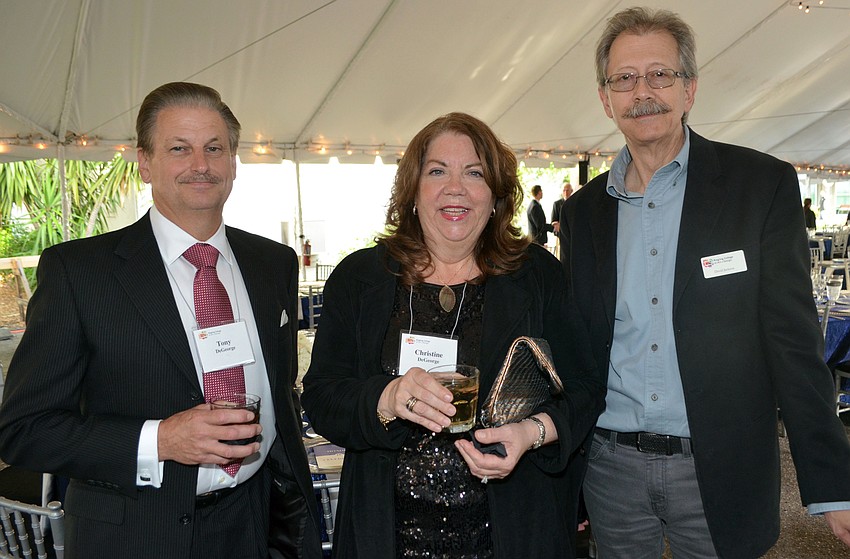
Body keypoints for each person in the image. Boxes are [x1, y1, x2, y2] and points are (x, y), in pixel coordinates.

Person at [560, 7, 850, 558]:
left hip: (721, 464)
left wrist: (831, 480)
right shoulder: (585, 214)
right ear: (606, 99)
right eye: (625, 79)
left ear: (689, 88)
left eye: (660, 74)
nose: (643, 91)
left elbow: (793, 342)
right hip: (611, 469)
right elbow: (578, 346)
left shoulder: (758, 186)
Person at [0, 82, 321, 559]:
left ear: (233, 161)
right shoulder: (81, 273)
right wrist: (161, 439)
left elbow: (279, 391)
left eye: (215, 148)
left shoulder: (272, 263)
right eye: (179, 149)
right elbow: (24, 430)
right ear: (145, 162)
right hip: (134, 535)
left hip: (252, 525)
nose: (201, 164)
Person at [301, 112, 604, 558]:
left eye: (474, 173)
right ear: (412, 190)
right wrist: (385, 398)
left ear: (497, 196)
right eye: (437, 171)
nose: (455, 188)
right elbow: (322, 396)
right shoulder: (360, 278)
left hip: (514, 529)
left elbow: (585, 388)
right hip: (386, 534)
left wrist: (530, 433)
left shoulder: (537, 275)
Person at [551, 181, 574, 255]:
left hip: (573, 235)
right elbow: (554, 221)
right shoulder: (557, 204)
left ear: (571, 191)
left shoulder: (575, 203)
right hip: (561, 235)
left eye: (567, 190)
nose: (566, 192)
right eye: (564, 190)